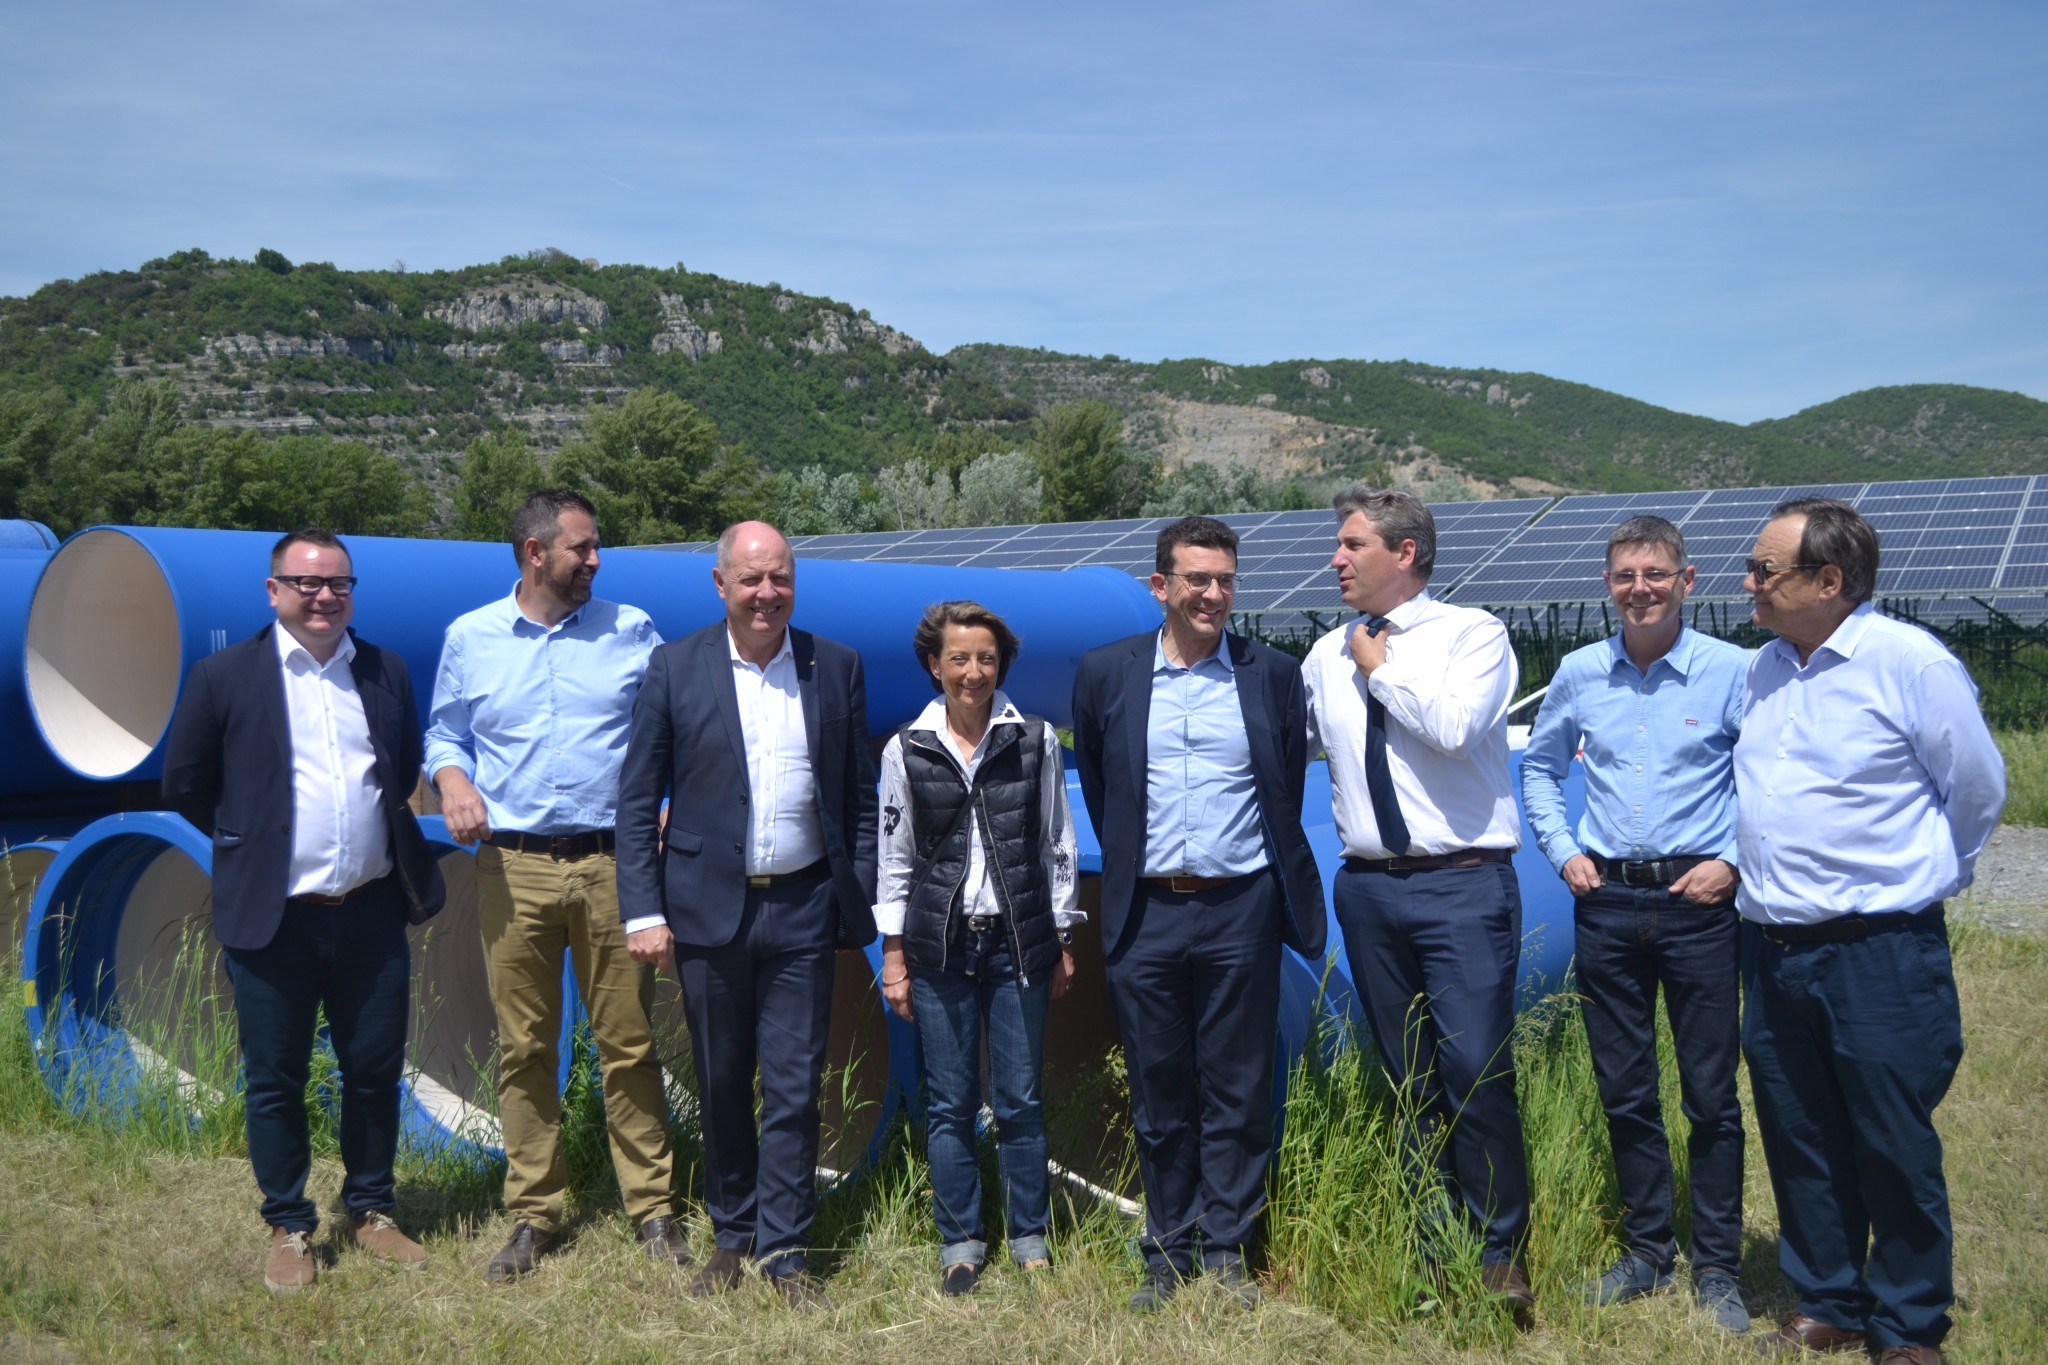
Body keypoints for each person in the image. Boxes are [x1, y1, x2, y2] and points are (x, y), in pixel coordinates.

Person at [1735, 499, 2004, 1365]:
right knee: (1801, 1130)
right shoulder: (1764, 670)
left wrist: (1924, 876)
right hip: (1774, 947)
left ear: (1829, 581)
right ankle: (1830, 1298)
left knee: (1892, 1139)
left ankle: (1909, 1322)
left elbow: (1976, 789)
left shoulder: (1909, 663)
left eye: (1764, 570)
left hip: (1877, 950)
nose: (1750, 584)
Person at [162, 528, 447, 1293]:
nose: (325, 596)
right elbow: (186, 781)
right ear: (273, 590)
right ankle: (289, 1223)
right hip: (274, 918)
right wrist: (249, 843)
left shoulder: (383, 670)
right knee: (275, 1078)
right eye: (307, 582)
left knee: (374, 1070)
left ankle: (373, 1209)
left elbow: (405, 763)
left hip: (370, 913)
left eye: (339, 583)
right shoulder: (225, 676)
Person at [424, 489, 685, 1281]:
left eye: (596, 546)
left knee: (628, 1043)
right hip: (514, 866)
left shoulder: (631, 630)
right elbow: (444, 731)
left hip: (616, 864)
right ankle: (535, 1212)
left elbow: (675, 724)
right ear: (536, 553)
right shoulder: (470, 637)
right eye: (583, 547)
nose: (596, 560)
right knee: (524, 1045)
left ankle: (653, 1206)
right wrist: (451, 780)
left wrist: (671, 800)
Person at [616, 520, 877, 1308]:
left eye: (781, 578)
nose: (768, 593)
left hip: (802, 906)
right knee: (724, 1078)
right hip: (704, 912)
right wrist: (643, 912)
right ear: (721, 583)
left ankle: (788, 1247)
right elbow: (636, 802)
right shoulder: (675, 667)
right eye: (752, 578)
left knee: (796, 1085)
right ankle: (734, 1232)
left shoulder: (835, 665)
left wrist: (851, 889)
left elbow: (860, 797)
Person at [1071, 515, 1325, 1312]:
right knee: (1158, 1088)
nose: (1214, 595)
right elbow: (1107, 790)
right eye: (1197, 580)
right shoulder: (1107, 672)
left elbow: (1283, 787)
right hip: (1144, 909)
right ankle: (1167, 1246)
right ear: (1161, 586)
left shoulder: (1271, 673)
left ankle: (1227, 1249)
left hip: (1239, 906)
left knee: (1238, 1084)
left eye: (1225, 580)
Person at [1300, 487, 1536, 1320]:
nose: (1335, 558)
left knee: (1475, 1067)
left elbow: (1454, 726)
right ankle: (1434, 1244)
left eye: (1351, 544)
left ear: (1404, 553)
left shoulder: (1473, 634)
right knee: (1406, 1076)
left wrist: (1381, 669)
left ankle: (1500, 1251)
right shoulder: (1323, 653)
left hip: (1461, 883)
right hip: (1368, 889)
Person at [1519, 515, 1751, 1333]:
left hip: (1699, 906)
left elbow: (1768, 774)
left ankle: (1718, 1263)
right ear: (1608, 584)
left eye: (1656, 573)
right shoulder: (1581, 672)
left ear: (1688, 581)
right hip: (1608, 903)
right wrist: (1561, 849)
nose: (1640, 587)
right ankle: (1649, 1249)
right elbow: (1541, 767)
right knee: (1624, 1090)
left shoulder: (1734, 671)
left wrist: (1730, 857)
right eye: (1625, 574)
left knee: (1711, 1093)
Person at [874, 601, 1081, 1296]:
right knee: (950, 1103)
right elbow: (895, 858)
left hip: (1018, 942)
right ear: (934, 664)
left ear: (1002, 665)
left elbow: (1057, 841)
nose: (973, 671)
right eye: (958, 658)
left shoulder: (1036, 739)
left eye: (986, 658)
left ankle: (1029, 1236)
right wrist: (894, 954)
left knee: (1020, 1099)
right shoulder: (906, 748)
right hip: (941, 947)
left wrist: (1061, 934)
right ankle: (960, 1241)